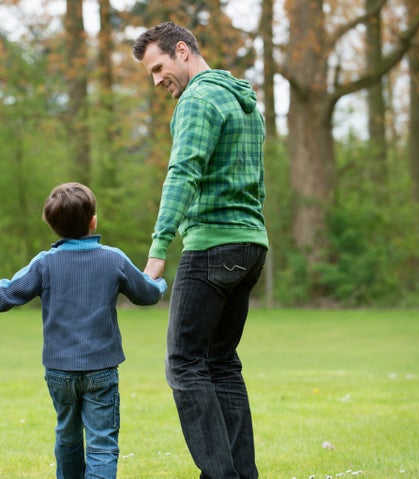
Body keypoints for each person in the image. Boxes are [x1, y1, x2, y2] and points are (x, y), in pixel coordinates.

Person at [0, 182, 167, 479]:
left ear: (51, 226)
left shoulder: (45, 263)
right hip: (101, 368)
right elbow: (146, 294)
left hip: (59, 370)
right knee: (101, 444)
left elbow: (5, 293)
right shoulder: (114, 259)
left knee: (68, 438)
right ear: (93, 220)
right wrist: (157, 282)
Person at [132, 22, 269, 479]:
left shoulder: (198, 100)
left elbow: (183, 173)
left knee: (184, 364)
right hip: (250, 245)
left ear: (183, 51)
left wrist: (157, 250)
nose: (156, 81)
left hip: (212, 246)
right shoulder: (245, 101)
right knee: (221, 364)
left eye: (158, 67)